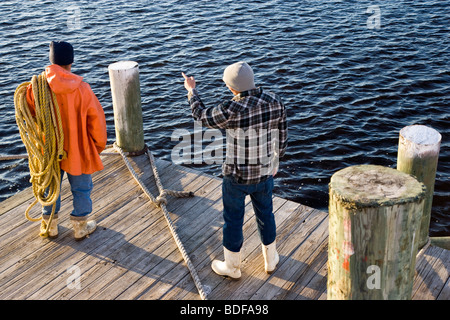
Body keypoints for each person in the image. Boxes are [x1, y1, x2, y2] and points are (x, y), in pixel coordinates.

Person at [182, 61, 288, 279]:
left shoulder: (231, 109)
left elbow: (201, 116)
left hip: (236, 177)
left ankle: (232, 267)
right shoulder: (275, 101)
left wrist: (191, 91)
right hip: (265, 173)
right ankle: (270, 260)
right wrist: (275, 163)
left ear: (232, 87)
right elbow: (282, 141)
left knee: (233, 219)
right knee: (266, 214)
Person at [26, 41, 107, 240]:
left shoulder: (35, 87)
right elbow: (96, 121)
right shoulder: (82, 88)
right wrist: (96, 146)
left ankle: (50, 225)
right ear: (71, 62)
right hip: (78, 149)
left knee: (50, 185)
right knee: (81, 187)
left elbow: (29, 114)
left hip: (48, 148)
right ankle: (80, 227)